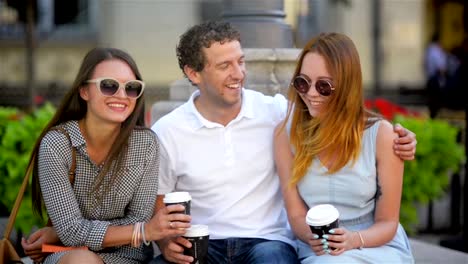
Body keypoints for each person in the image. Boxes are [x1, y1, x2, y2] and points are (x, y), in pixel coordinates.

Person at [150, 21, 416, 264]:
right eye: (224, 66)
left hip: (267, 242)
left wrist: (400, 138)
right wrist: (165, 241)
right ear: (193, 74)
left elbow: (339, 116)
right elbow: (160, 200)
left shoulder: (274, 112)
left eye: (240, 61)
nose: (239, 74)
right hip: (207, 243)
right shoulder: (169, 130)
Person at [21, 47, 191, 264]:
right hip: (71, 253)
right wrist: (142, 231)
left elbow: (140, 219)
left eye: (131, 88)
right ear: (84, 91)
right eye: (109, 86)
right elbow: (72, 232)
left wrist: (140, 230)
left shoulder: (146, 143)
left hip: (128, 256)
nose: (122, 95)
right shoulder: (57, 144)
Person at [274, 32, 414, 263]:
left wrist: (353, 239)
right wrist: (313, 237)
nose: (310, 93)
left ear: (346, 86)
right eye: (302, 82)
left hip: (376, 243)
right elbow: (297, 215)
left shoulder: (381, 135)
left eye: (324, 86)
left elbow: (388, 223)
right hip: (318, 248)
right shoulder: (284, 135)